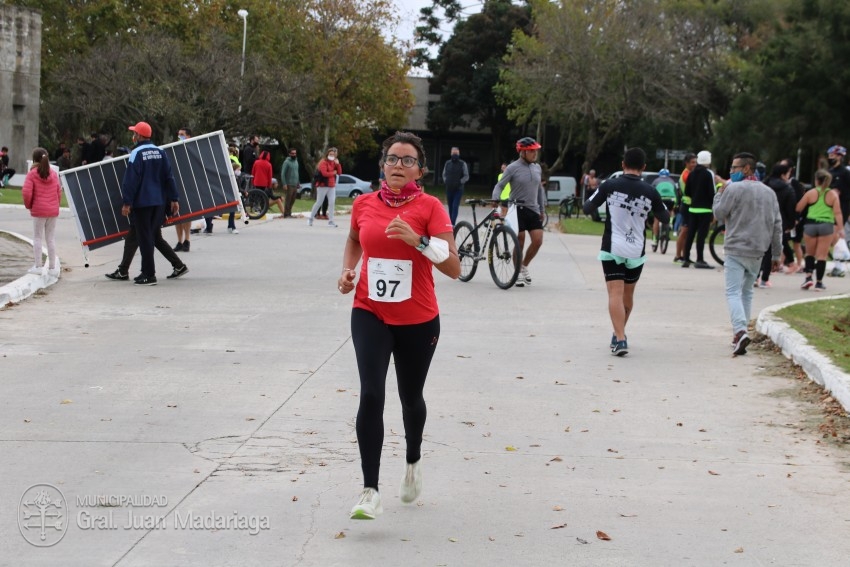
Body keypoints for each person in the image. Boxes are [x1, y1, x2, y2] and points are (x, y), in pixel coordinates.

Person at [337, 131, 460, 520]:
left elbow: (454, 268)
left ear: (420, 170)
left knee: (410, 398)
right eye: (392, 159)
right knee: (372, 394)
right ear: (382, 165)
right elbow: (355, 239)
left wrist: (419, 241)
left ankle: (412, 460)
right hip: (369, 310)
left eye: (408, 160)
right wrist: (348, 270)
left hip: (419, 319)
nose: (398, 166)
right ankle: (370, 490)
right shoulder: (363, 204)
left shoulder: (431, 208)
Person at [583, 147, 669, 356]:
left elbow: (587, 207)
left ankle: (620, 338)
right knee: (628, 295)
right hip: (636, 250)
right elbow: (665, 217)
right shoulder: (650, 191)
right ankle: (619, 333)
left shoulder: (609, 185)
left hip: (613, 247)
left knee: (615, 293)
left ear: (623, 164)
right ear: (644, 167)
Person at [713, 152, 782, 355]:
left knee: (732, 291)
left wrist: (720, 191)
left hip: (736, 248)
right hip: (758, 250)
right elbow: (777, 225)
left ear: (746, 168)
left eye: (734, 168)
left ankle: (740, 331)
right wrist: (776, 255)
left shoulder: (733, 188)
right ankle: (741, 331)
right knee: (747, 291)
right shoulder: (769, 192)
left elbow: (718, 213)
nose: (731, 172)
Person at [119, 121, 180, 286]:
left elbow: (131, 180)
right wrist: (174, 199)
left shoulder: (136, 153)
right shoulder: (160, 152)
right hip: (159, 202)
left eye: (134, 133)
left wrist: (127, 202)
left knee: (145, 238)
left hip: (142, 203)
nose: (133, 136)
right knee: (150, 236)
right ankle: (148, 272)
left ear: (138, 136)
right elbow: (169, 176)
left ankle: (148, 274)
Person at [492, 137, 546, 287]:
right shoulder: (512, 167)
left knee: (538, 240)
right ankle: (517, 271)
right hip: (516, 208)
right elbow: (500, 185)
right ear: (522, 152)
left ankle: (523, 266)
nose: (535, 153)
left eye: (535, 150)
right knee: (520, 239)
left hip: (533, 209)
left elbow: (539, 190)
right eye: (531, 151)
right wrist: (496, 198)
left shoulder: (537, 168)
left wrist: (542, 209)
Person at [797, 169, 844, 291]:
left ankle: (808, 278)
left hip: (811, 224)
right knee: (822, 255)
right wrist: (840, 228)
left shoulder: (811, 193)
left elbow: (799, 207)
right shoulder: (833, 194)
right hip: (826, 225)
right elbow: (837, 213)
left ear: (816, 180)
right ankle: (819, 282)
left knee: (809, 253)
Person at [22, 147, 62, 278]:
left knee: (37, 237)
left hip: (39, 211)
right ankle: (52, 268)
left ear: (34, 158)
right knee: (50, 238)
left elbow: (27, 193)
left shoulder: (32, 173)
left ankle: (38, 266)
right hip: (52, 211)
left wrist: (29, 206)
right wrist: (56, 206)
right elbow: (59, 192)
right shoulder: (53, 174)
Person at [756, 162, 796, 288]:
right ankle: (764, 279)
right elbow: (790, 208)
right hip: (779, 221)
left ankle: (754, 276)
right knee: (770, 251)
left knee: (759, 250)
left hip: (761, 219)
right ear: (783, 174)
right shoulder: (787, 188)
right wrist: (790, 223)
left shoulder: (763, 185)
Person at [681, 150, 716, 268]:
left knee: (690, 234)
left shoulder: (692, 173)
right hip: (705, 209)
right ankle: (699, 259)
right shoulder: (708, 173)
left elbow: (687, 191)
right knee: (701, 234)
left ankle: (686, 258)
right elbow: (712, 192)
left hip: (693, 208)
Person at [308, 147, 342, 227]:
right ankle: (310, 218)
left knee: (332, 202)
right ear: (327, 155)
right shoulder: (323, 162)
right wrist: (333, 173)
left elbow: (339, 173)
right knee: (319, 202)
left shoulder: (334, 163)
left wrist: (338, 164)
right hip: (323, 185)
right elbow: (324, 174)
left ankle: (331, 221)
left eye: (333, 155)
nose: (332, 156)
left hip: (332, 185)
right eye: (330, 154)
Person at [173, 127, 194, 252]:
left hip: (188, 184)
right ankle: (179, 241)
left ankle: (187, 240)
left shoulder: (191, 149)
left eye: (182, 134)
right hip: (177, 184)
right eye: (179, 134)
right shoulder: (175, 148)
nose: (179, 136)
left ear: (188, 136)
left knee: (187, 214)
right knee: (177, 214)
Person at [674, 153, 697, 262]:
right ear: (686, 163)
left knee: (686, 232)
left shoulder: (689, 173)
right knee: (684, 231)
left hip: (688, 205)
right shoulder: (687, 174)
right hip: (686, 205)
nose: (695, 164)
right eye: (692, 162)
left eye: (696, 162)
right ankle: (678, 256)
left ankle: (684, 255)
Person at [252, 151, 284, 220]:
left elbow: (253, 172)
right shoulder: (268, 164)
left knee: (256, 195)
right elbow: (269, 176)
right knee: (263, 196)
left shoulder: (256, 162)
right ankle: (261, 208)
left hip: (256, 182)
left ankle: (255, 206)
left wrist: (252, 181)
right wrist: (269, 185)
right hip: (264, 183)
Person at [650, 168, 677, 251]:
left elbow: (651, 191)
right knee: (671, 210)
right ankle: (671, 223)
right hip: (671, 199)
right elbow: (676, 192)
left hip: (660, 199)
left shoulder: (656, 181)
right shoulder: (672, 181)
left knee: (656, 219)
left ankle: (654, 240)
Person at [442, 146, 469, 225]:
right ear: (451, 153)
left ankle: (453, 223)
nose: (454, 154)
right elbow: (444, 174)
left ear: (459, 153)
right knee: (450, 206)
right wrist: (446, 181)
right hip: (449, 188)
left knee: (455, 206)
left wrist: (460, 182)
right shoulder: (447, 163)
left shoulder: (462, 164)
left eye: (456, 153)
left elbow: (466, 176)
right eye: (453, 153)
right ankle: (450, 222)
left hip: (458, 189)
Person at [280, 148, 300, 217]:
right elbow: (283, 173)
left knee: (293, 199)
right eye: (292, 153)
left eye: (295, 153)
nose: (294, 155)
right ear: (289, 154)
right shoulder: (287, 162)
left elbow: (297, 173)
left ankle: (289, 212)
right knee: (288, 199)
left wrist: (298, 182)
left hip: (295, 184)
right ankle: (286, 213)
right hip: (289, 184)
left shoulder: (296, 161)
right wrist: (284, 183)